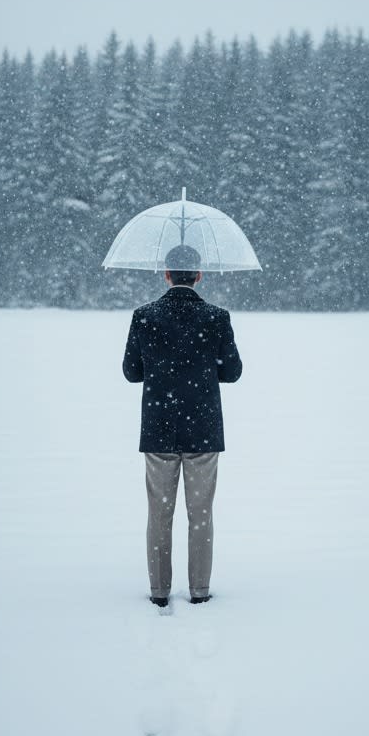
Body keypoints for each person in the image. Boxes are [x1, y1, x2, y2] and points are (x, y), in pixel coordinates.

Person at [122, 244, 242, 609]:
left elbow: (131, 372)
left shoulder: (144, 316)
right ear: (199, 275)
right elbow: (232, 372)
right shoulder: (216, 317)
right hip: (203, 431)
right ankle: (199, 590)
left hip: (158, 429)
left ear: (167, 274)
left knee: (159, 515)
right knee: (200, 514)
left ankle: (159, 591)